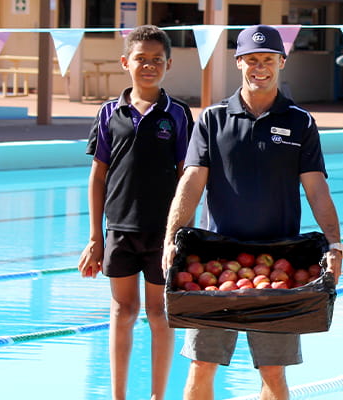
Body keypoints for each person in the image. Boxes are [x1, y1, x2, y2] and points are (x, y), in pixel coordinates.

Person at [161, 25, 343, 400]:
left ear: (281, 62)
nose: (259, 67)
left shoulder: (300, 121)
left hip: (281, 265)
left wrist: (334, 243)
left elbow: (317, 189)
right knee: (201, 366)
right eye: (251, 59)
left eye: (268, 59)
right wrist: (171, 239)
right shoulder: (213, 119)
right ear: (238, 62)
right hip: (213, 263)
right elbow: (191, 183)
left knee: (273, 373)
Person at [77, 25, 193, 400]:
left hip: (162, 233)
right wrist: (96, 237)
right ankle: (119, 396)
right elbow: (98, 177)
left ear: (168, 64)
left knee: (159, 315)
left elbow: (186, 177)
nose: (148, 66)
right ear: (126, 62)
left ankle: (159, 396)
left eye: (156, 60)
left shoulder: (177, 114)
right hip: (120, 230)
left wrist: (181, 235)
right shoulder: (110, 112)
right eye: (141, 59)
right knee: (122, 312)